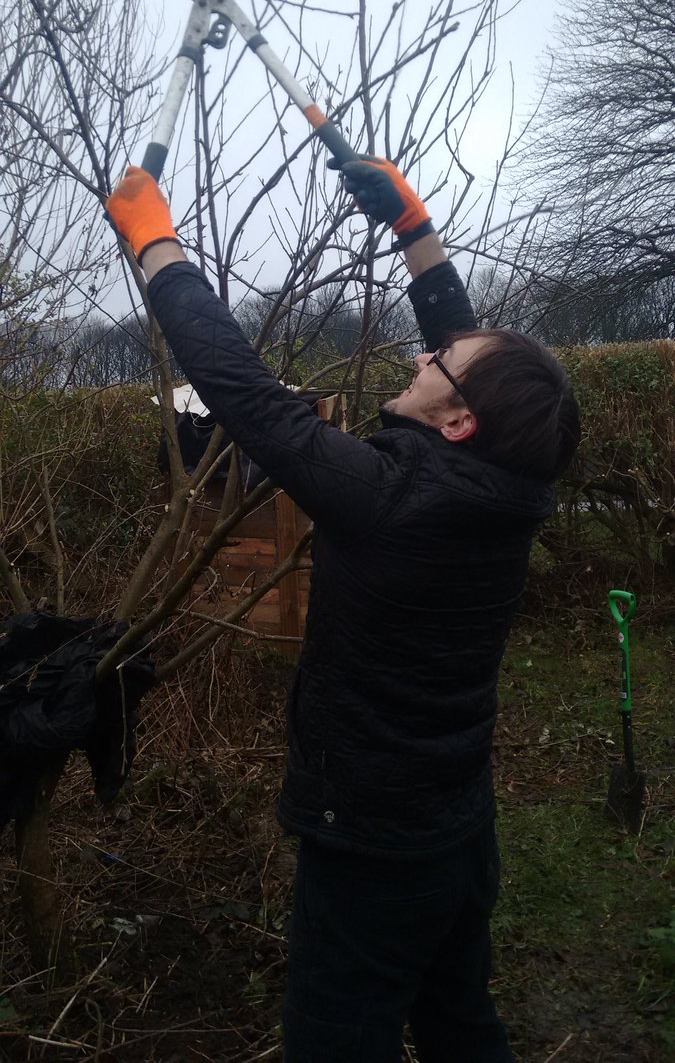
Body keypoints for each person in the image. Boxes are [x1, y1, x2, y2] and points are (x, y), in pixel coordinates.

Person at [107, 156, 580, 1063]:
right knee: (457, 1021)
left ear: (457, 424)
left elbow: (242, 393)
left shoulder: (392, 500)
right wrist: (414, 234)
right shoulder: (506, 483)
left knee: (334, 1040)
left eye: (434, 363)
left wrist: (157, 248)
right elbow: (476, 363)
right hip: (453, 824)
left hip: (371, 844)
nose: (420, 351)